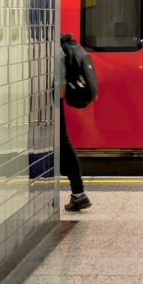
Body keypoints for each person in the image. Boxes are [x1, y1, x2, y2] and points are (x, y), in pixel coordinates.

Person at [56, 43, 91, 211]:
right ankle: (78, 193)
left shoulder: (53, 44)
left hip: (52, 100)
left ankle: (79, 193)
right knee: (63, 143)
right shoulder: (53, 39)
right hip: (52, 99)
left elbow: (61, 89)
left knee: (63, 143)